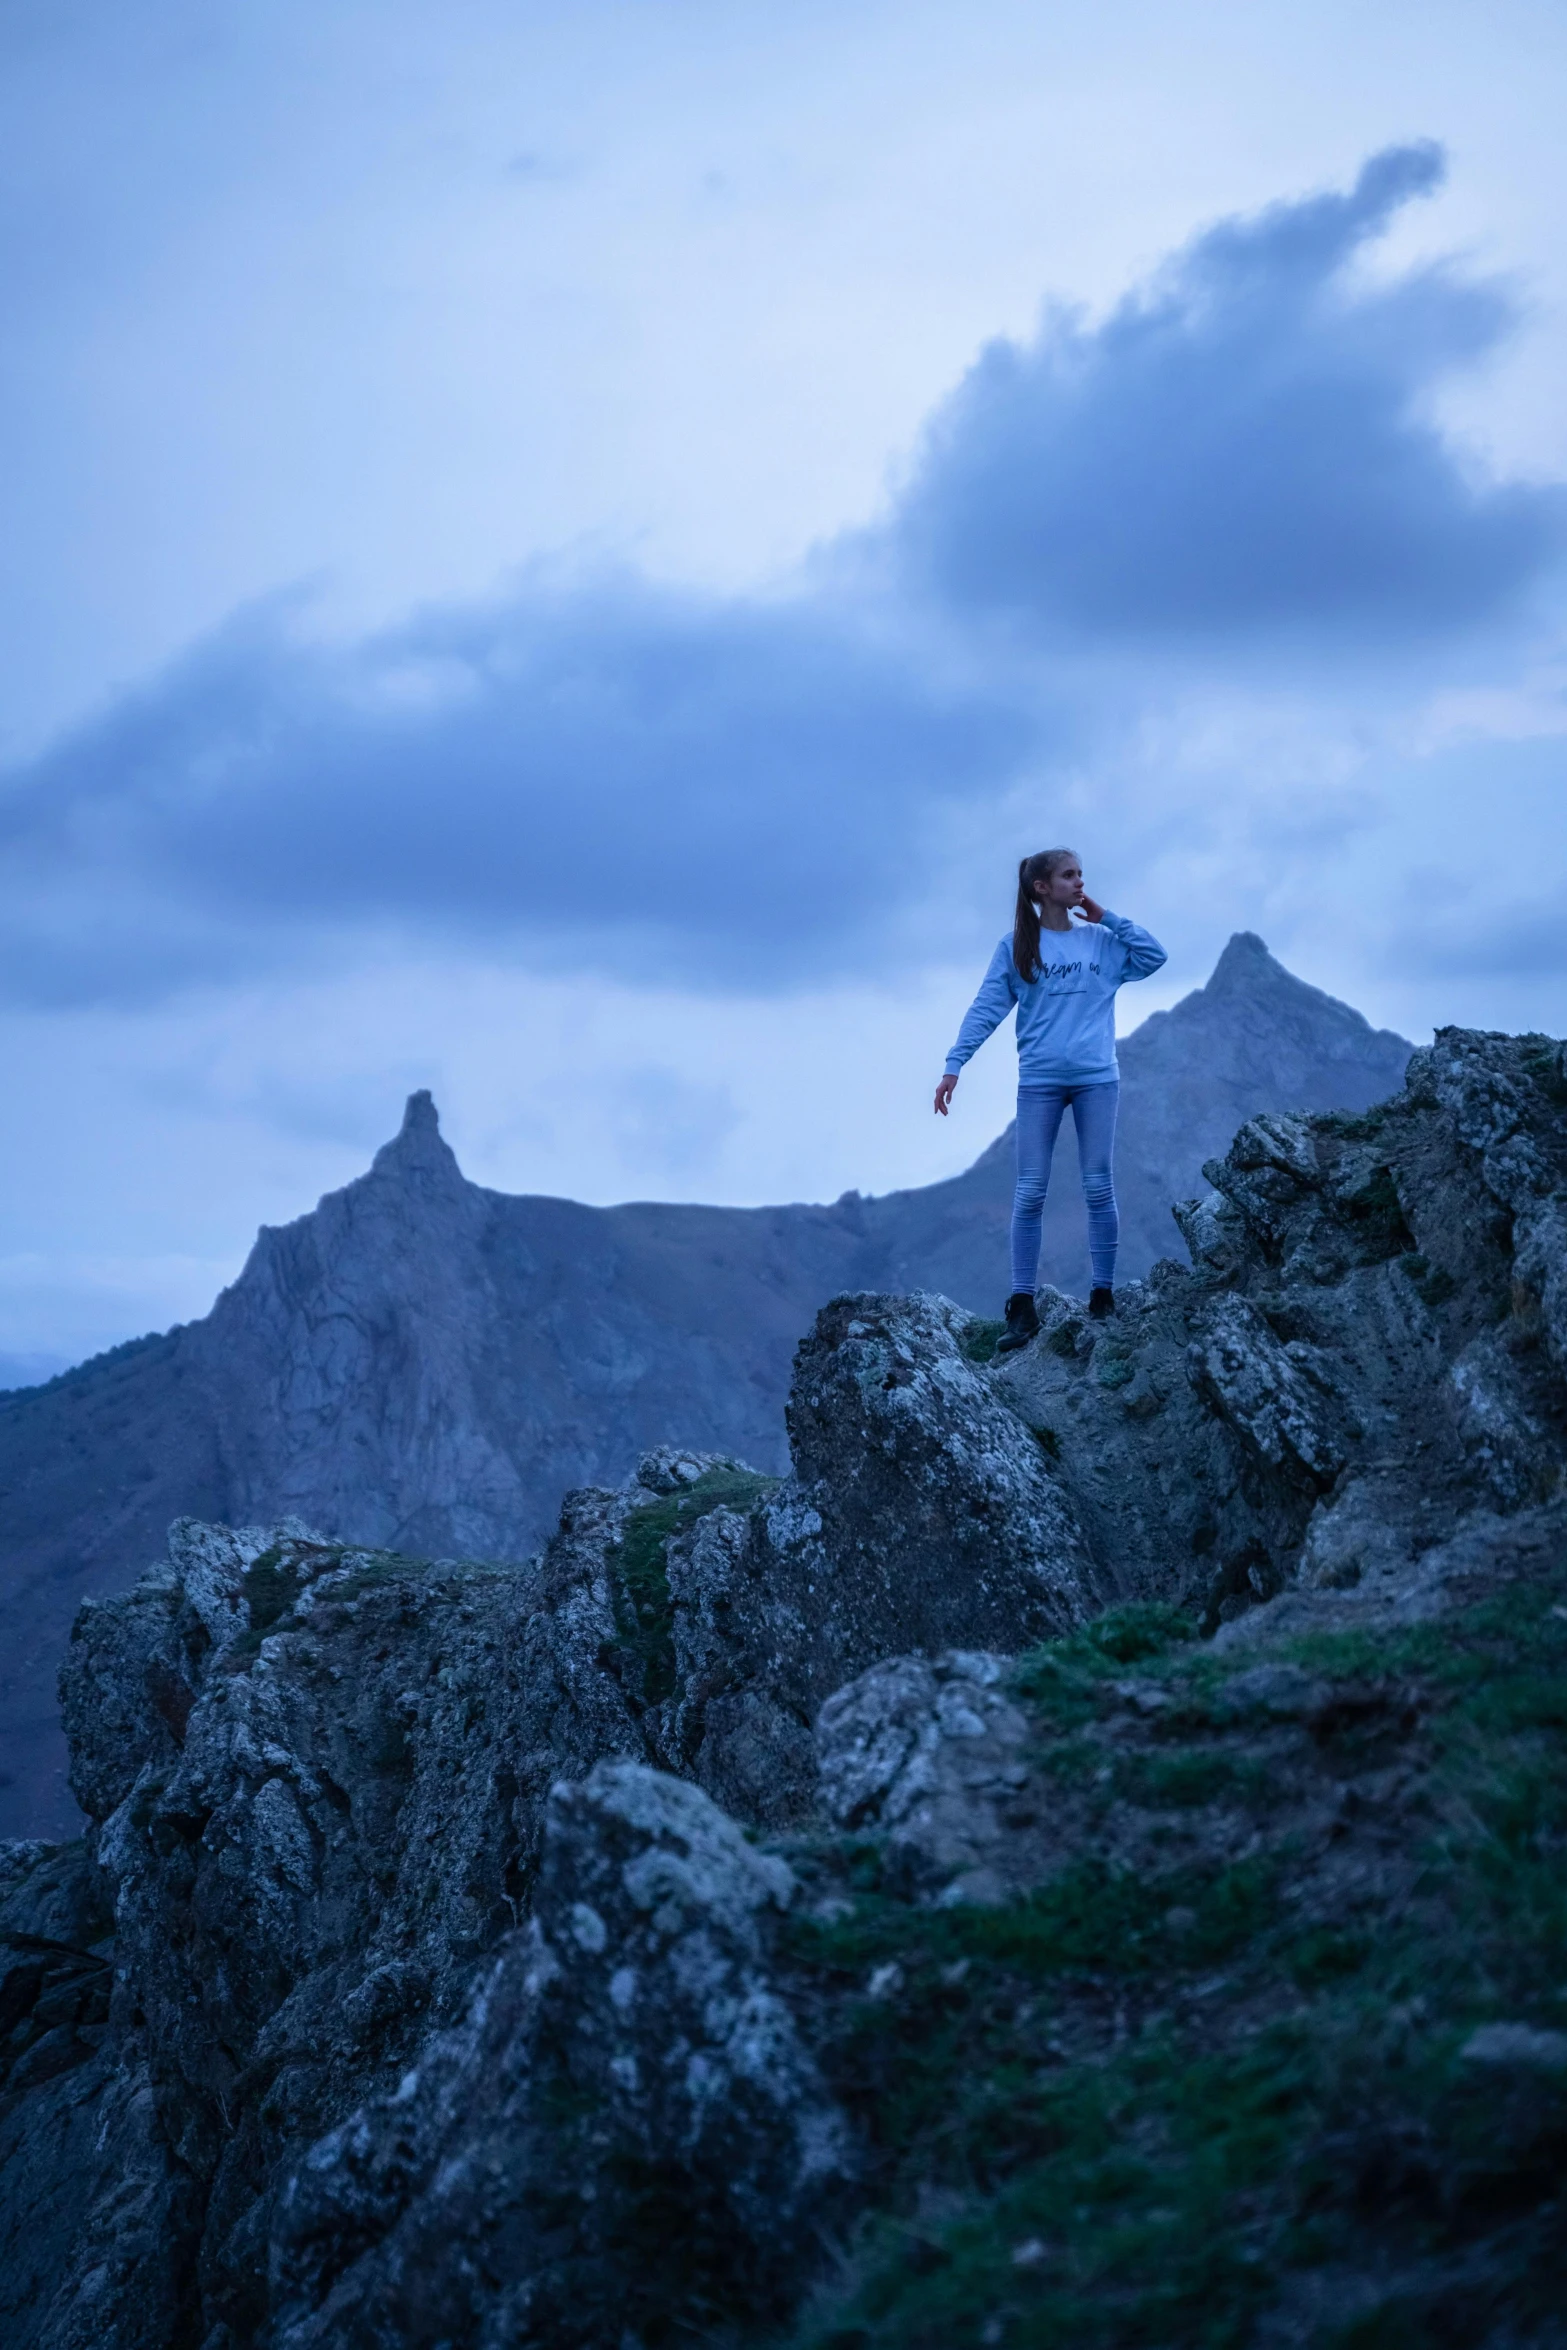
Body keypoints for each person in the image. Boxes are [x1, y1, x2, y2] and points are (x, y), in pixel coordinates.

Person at [935, 849, 1166, 1352]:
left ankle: (1102, 1295)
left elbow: (1154, 956)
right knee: (1030, 1191)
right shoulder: (1018, 946)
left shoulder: (1102, 942)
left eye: (1081, 874)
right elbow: (986, 1008)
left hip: (1096, 1080)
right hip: (1039, 1080)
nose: (1079, 881)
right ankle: (1022, 1307)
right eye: (1068, 875)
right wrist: (955, 1064)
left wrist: (1107, 918)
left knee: (1098, 1185)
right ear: (1041, 887)